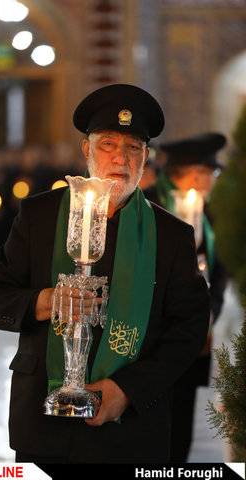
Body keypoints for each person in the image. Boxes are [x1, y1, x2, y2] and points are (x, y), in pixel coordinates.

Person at [0, 84, 210, 464]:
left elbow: (188, 329)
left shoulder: (171, 236)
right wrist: (46, 301)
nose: (120, 158)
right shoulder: (39, 217)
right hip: (43, 426)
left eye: (133, 147)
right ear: (87, 150)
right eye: (108, 145)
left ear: (146, 157)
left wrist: (128, 390)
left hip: (131, 432)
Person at [144, 132, 229, 462]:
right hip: (151, 341)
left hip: (193, 342)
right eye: (211, 173)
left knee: (180, 428)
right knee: (150, 429)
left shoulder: (207, 215)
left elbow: (218, 275)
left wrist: (208, 315)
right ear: (196, 173)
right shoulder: (148, 204)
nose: (212, 181)